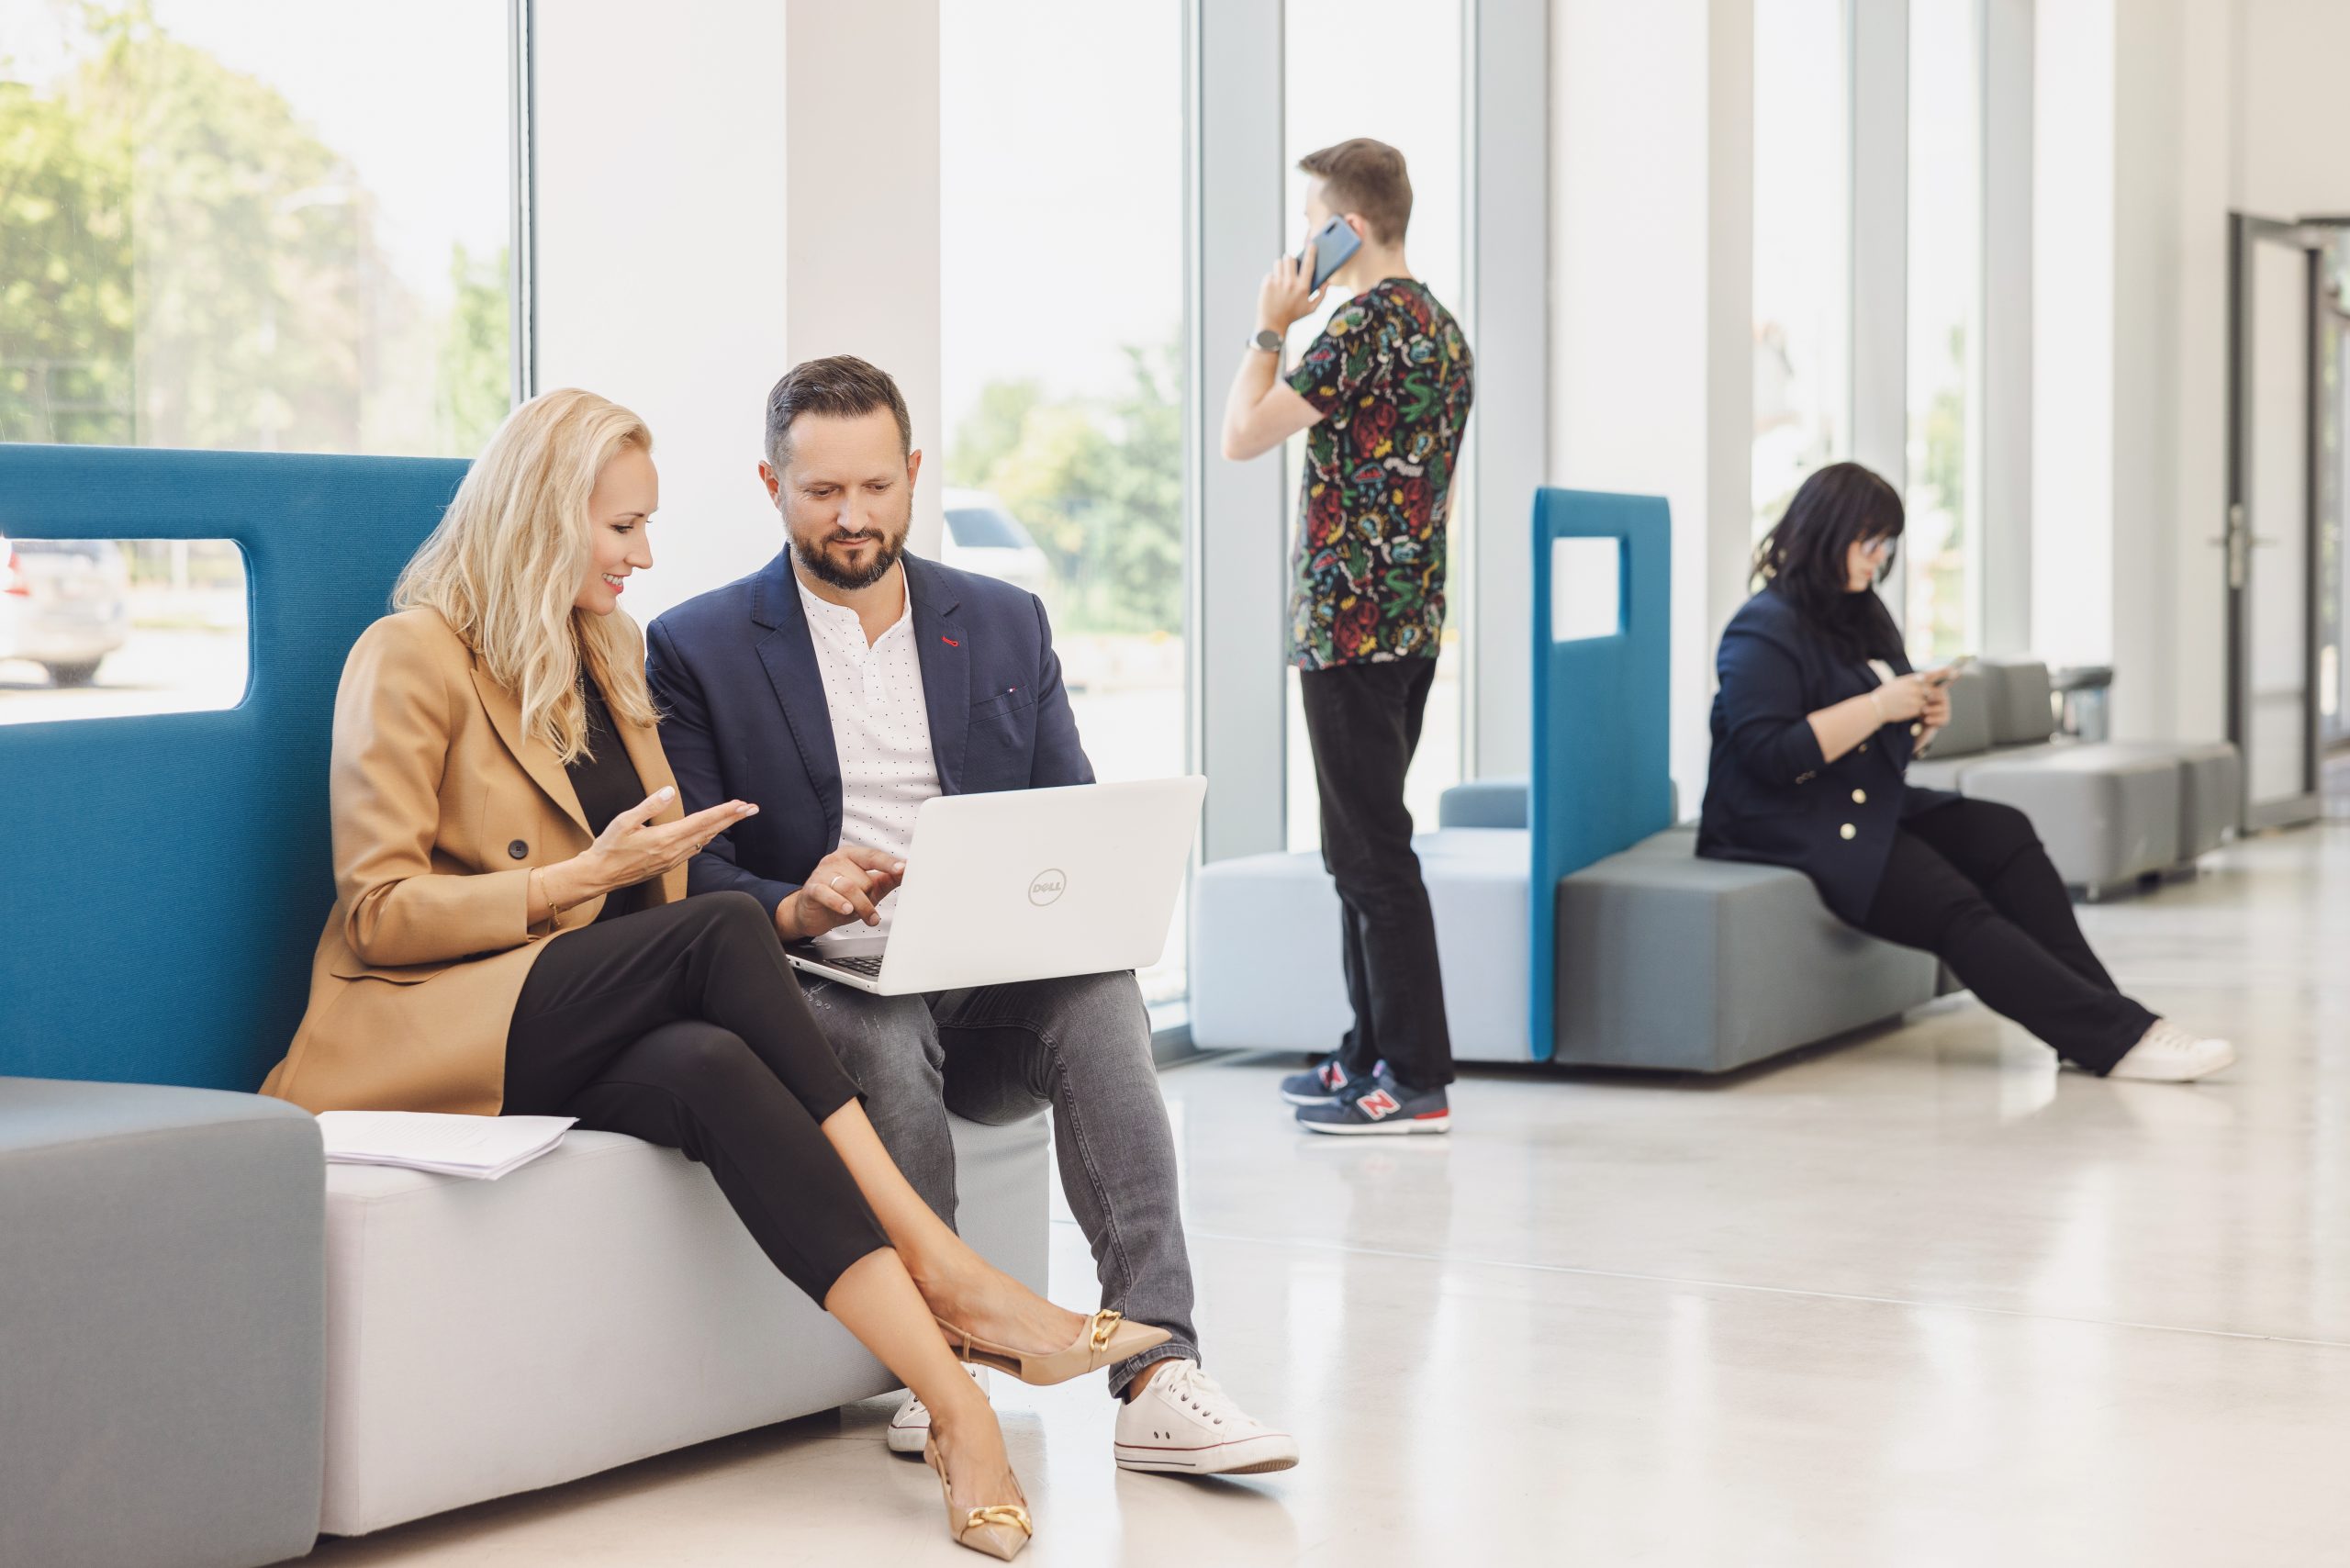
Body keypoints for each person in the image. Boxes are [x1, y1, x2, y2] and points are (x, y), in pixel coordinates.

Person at [259, 388, 1174, 1561]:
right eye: (622, 527)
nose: (645, 553)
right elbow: (377, 915)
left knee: (714, 1066)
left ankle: (955, 1408)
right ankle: (945, 1272)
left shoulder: (611, 648)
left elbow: (659, 892)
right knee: (728, 938)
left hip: (568, 1014)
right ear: (542, 515)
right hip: (426, 1026)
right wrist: (574, 878)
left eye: (644, 527)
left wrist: (780, 892)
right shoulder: (410, 655)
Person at [1696, 461, 2236, 1083]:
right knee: (1951, 903)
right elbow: (1770, 755)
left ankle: (2109, 1025)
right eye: (1867, 541)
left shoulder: (1861, 612)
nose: (1878, 558)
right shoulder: (1762, 627)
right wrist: (1878, 707)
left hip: (1854, 800)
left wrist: (1918, 720)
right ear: (1825, 532)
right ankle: (2116, 1038)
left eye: (1886, 544)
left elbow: (1880, 740)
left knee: (2002, 831)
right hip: (1778, 820)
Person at [1218, 137, 1475, 1134]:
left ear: (1348, 227)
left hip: (1347, 625)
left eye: (1312, 221)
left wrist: (1267, 328)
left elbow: (1243, 435)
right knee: (1356, 844)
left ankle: (1413, 1077)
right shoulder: (1443, 330)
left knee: (1369, 852)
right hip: (1408, 621)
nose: (1302, 243)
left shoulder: (1360, 327)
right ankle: (1366, 1049)